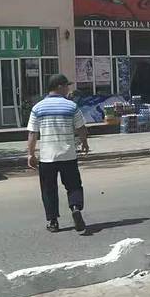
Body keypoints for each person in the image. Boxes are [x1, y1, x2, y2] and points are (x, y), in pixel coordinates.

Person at [27, 73, 90, 234]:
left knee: (48, 189)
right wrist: (84, 142)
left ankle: (53, 221)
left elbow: (33, 133)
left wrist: (31, 154)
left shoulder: (38, 108)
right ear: (59, 87)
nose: (68, 89)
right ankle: (75, 208)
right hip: (68, 155)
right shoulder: (71, 106)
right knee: (73, 185)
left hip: (47, 157)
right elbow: (81, 128)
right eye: (67, 86)